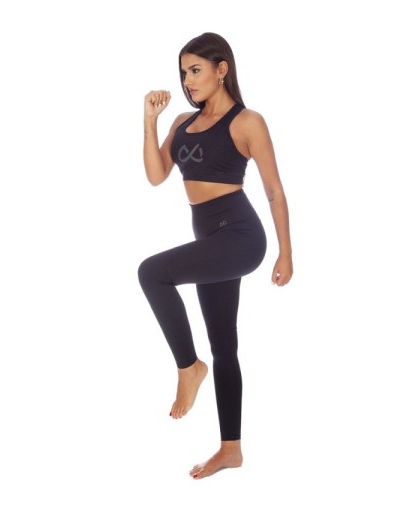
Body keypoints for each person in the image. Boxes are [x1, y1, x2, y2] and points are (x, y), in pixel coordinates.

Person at [138, 32, 293, 479]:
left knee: (152, 272)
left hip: (240, 237)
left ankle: (188, 367)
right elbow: (156, 176)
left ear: (221, 69)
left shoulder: (248, 122)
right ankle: (230, 450)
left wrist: (285, 253)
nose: (188, 81)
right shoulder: (181, 122)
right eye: (183, 72)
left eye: (196, 70)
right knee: (225, 346)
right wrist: (150, 121)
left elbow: (274, 191)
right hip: (210, 240)